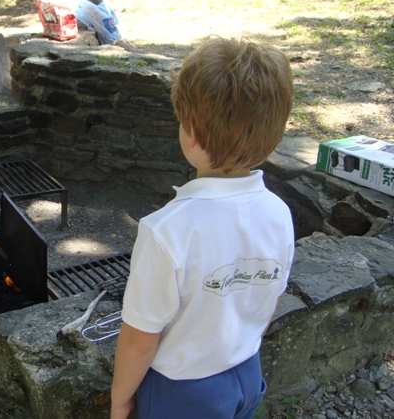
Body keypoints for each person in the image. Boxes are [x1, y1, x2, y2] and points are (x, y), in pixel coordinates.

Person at [111, 37, 295, 419]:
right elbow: (266, 296)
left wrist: (120, 401)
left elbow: (139, 340)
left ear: (190, 133)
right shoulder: (279, 213)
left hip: (183, 392)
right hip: (246, 372)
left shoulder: (166, 230)